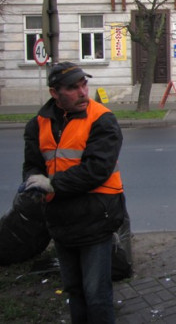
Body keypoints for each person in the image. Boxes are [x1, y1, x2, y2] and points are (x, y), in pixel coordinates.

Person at [22, 61, 125, 324]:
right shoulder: (38, 124)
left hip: (95, 218)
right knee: (74, 291)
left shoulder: (102, 119)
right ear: (55, 93)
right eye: (73, 88)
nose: (83, 92)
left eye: (84, 84)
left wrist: (51, 185)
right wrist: (33, 179)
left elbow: (96, 170)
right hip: (60, 219)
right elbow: (33, 162)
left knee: (97, 294)